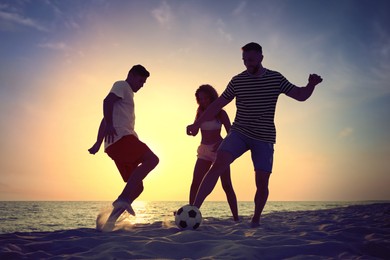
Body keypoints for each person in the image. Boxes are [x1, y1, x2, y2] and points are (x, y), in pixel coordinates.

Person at [187, 42, 323, 227]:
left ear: (261, 58)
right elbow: (218, 104)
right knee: (218, 163)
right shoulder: (237, 80)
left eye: (251, 59)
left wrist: (311, 84)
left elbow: (300, 95)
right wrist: (196, 124)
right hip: (239, 132)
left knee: (261, 181)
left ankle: (256, 218)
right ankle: (193, 211)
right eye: (244, 60)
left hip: (264, 137)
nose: (247, 64)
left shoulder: (275, 78)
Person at [89, 64, 159, 224]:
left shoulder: (126, 95)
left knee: (137, 187)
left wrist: (99, 143)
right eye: (141, 81)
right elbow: (106, 101)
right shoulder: (122, 85)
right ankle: (122, 198)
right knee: (152, 160)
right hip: (122, 139)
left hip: (114, 145)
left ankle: (110, 221)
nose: (141, 85)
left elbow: (105, 118)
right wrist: (109, 127)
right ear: (132, 75)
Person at [189, 84, 239, 221]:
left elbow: (231, 133)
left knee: (227, 185)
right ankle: (190, 212)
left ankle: (236, 218)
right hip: (204, 151)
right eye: (201, 99)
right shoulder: (199, 112)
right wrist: (190, 129)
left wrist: (222, 144)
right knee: (195, 182)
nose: (204, 101)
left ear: (212, 97)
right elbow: (195, 131)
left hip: (219, 151)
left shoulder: (221, 113)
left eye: (206, 98)